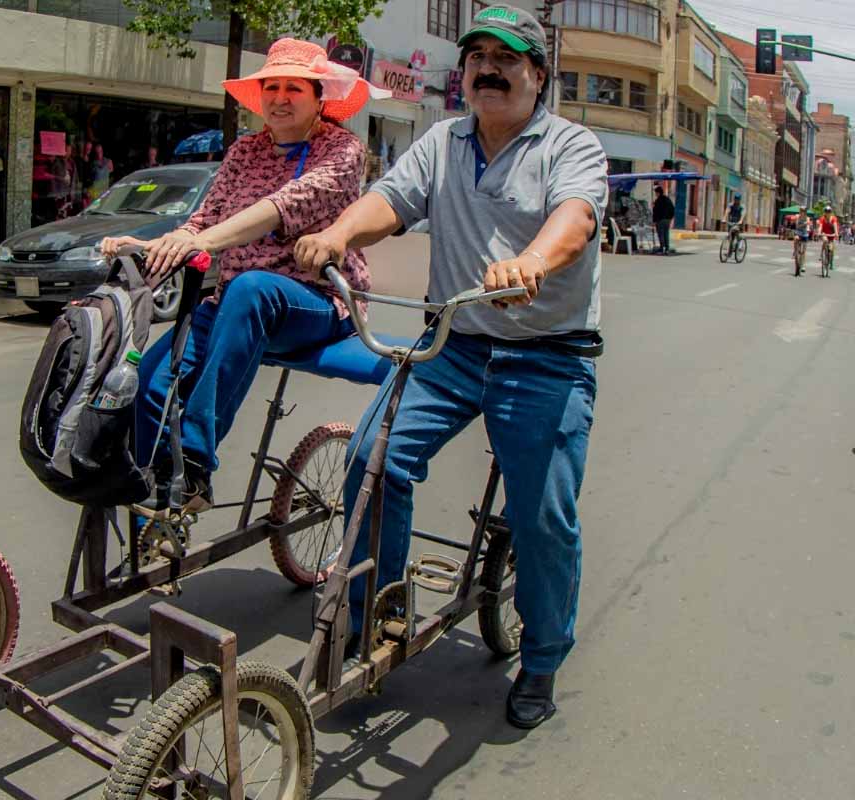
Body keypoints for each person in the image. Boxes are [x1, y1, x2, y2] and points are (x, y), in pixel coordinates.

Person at [296, 4, 607, 730]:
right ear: (463, 73)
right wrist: (338, 231)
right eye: (477, 58)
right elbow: (390, 200)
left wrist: (531, 262)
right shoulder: (442, 141)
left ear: (538, 74)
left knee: (543, 515)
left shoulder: (571, 144)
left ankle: (544, 655)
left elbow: (577, 218)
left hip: (547, 354)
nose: (489, 69)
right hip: (456, 345)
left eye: (508, 58)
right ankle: (380, 608)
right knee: (374, 454)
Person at [100, 38, 388, 514]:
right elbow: (202, 221)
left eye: (293, 87)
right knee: (149, 381)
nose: (279, 97)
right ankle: (153, 490)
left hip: (315, 302)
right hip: (235, 303)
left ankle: (194, 465)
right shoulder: (243, 152)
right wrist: (151, 245)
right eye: (270, 87)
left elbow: (282, 207)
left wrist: (205, 243)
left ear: (319, 98)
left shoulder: (342, 149)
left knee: (252, 289)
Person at [652, 185, 675, 255]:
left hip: (660, 220)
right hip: (667, 220)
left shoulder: (658, 201)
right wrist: (670, 218)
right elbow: (672, 209)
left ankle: (662, 248)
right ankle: (667, 248)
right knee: (666, 234)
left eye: (656, 193)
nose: (655, 194)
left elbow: (655, 211)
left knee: (661, 234)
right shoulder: (667, 199)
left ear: (658, 193)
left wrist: (654, 221)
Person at [818, 204, 840, 274]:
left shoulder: (833, 218)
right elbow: (820, 226)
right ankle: (821, 255)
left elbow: (835, 226)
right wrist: (819, 232)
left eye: (829, 211)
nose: (827, 213)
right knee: (825, 240)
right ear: (825, 212)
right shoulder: (822, 218)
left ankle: (831, 261)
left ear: (831, 212)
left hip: (832, 235)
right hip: (825, 234)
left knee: (831, 249)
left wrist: (836, 233)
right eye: (826, 211)